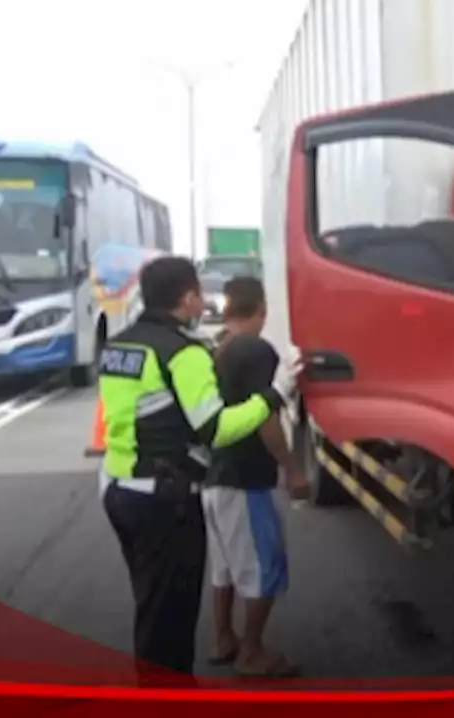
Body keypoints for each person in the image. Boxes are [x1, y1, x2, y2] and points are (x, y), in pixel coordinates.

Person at [97, 255, 303, 685]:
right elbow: (217, 429)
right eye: (198, 295)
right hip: (164, 498)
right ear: (188, 298)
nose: (202, 303)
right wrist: (275, 395)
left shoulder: (121, 345)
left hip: (118, 489)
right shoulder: (182, 351)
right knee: (171, 611)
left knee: (151, 602)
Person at [201, 276, 309, 677]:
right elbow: (264, 415)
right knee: (263, 566)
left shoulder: (219, 346)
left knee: (226, 567)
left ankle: (222, 638)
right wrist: (293, 467)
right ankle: (251, 653)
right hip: (244, 479)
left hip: (214, 476)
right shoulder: (255, 349)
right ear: (262, 309)